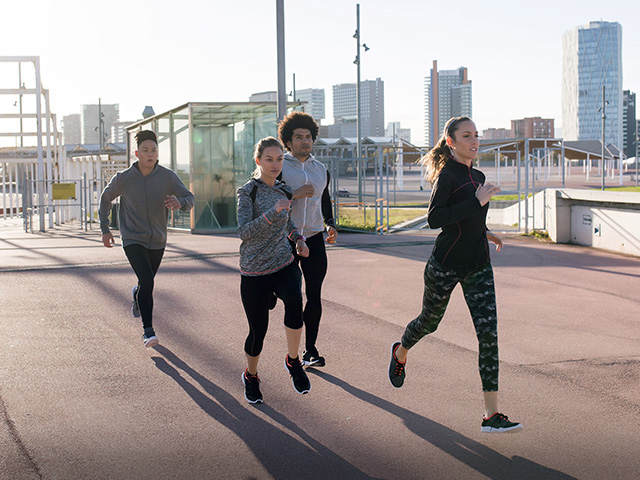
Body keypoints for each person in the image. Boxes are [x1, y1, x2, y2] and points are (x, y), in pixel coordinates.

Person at [388, 117, 523, 434]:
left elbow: (471, 218)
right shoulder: (447, 176)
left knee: (488, 336)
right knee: (429, 322)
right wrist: (476, 202)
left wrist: (486, 231)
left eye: (476, 135)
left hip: (478, 264)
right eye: (466, 136)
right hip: (445, 264)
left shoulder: (478, 176)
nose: (474, 141)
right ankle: (400, 351)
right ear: (451, 142)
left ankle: (491, 416)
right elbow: (435, 218)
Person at [99, 130, 194, 348]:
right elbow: (105, 198)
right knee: (148, 280)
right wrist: (105, 228)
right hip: (132, 238)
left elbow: (189, 198)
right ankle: (148, 331)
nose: (150, 154)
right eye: (145, 150)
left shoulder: (167, 176)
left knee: (146, 282)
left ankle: (137, 294)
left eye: (153, 150)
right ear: (137, 153)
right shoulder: (123, 178)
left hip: (158, 239)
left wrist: (180, 202)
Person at [237, 136, 312, 404]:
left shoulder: (284, 190)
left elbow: (287, 223)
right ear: (258, 161)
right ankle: (251, 375)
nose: (275, 164)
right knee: (258, 332)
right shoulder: (247, 192)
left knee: (295, 300)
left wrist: (298, 239)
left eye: (279, 159)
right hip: (255, 271)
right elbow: (244, 232)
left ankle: (293, 361)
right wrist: (271, 212)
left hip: (283, 262)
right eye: (269, 159)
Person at [277, 111, 337, 367]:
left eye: (308, 137)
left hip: (313, 237)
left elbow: (324, 200)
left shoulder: (321, 170)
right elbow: (268, 199)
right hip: (285, 239)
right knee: (290, 295)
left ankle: (310, 350)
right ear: (288, 142)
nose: (305, 141)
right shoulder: (279, 167)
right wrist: (294, 194)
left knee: (314, 295)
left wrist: (330, 223)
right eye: (299, 137)